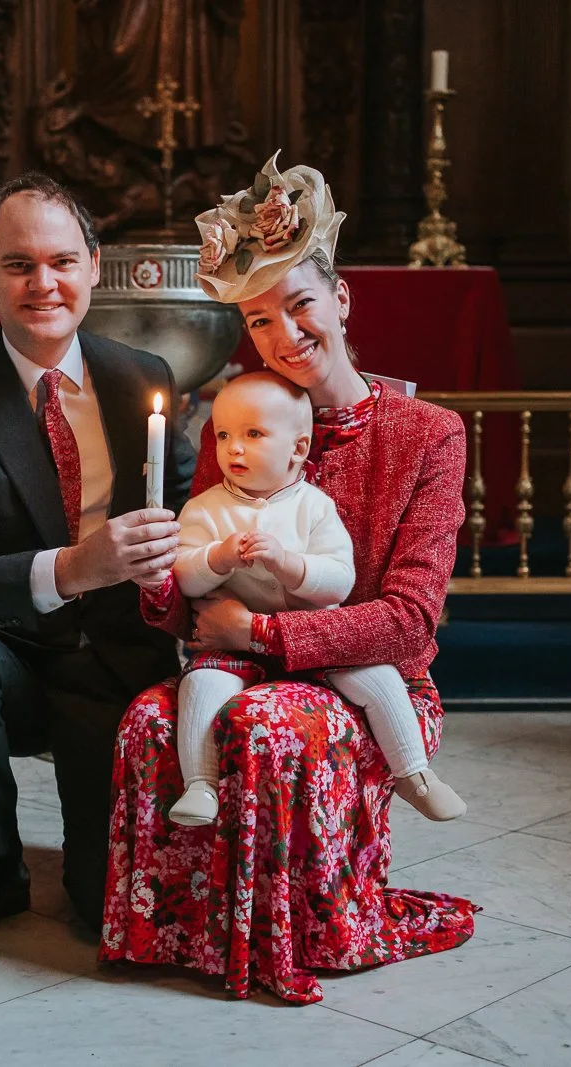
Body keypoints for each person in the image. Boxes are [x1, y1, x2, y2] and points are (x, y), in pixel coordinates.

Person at [100, 152, 478, 1003]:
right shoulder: (242, 422)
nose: (285, 336)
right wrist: (166, 576)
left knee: (273, 724)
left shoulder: (427, 435)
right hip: (236, 663)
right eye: (262, 321)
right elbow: (186, 607)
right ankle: (179, 931)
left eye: (301, 305)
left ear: (341, 299)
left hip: (371, 680)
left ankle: (287, 933)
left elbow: (411, 621)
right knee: (150, 718)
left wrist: (265, 634)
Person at [0, 172, 196, 951]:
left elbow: (195, 508)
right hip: (18, 658)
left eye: (61, 261)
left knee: (101, 911)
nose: (43, 283)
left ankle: (92, 848)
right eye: (19, 263)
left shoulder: (144, 379)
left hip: (127, 663)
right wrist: (71, 568)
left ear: (95, 265)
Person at [162, 370, 467, 827]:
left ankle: (414, 774)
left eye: (253, 434)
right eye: (224, 435)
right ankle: (200, 785)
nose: (234, 448)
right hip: (231, 643)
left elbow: (339, 580)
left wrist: (290, 564)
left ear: (298, 449)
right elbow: (184, 576)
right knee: (200, 687)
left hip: (319, 639)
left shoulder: (314, 505)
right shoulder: (205, 508)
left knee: (377, 679)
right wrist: (217, 558)